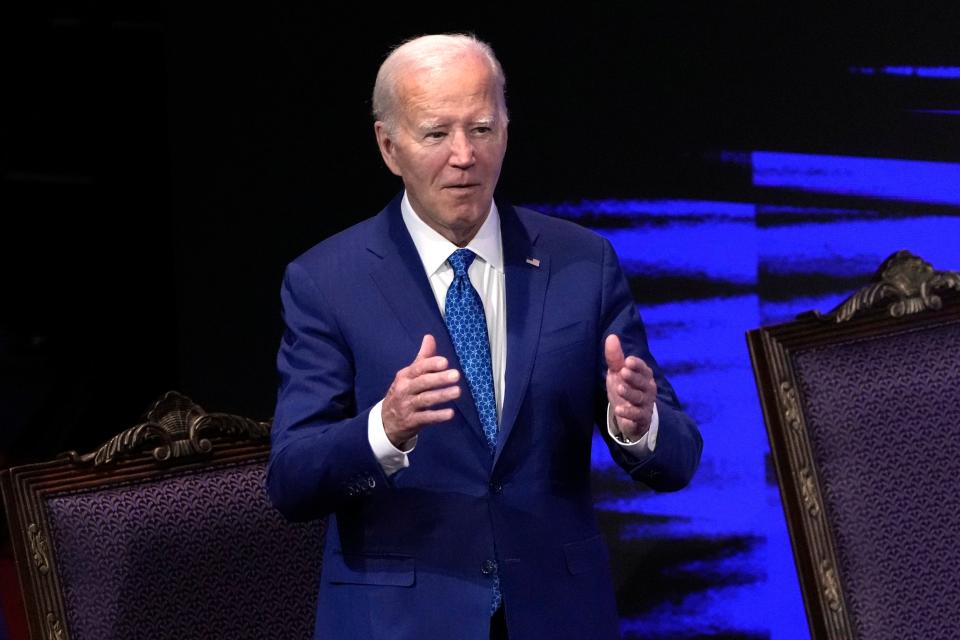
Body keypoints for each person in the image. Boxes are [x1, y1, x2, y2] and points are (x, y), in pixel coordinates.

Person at [266, 33, 702, 640]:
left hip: (559, 616)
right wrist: (383, 429)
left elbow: (678, 457)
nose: (464, 155)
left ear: (506, 131)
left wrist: (638, 426)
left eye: (482, 128)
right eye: (436, 133)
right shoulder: (326, 282)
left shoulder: (582, 263)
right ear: (389, 146)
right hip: (401, 623)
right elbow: (291, 480)